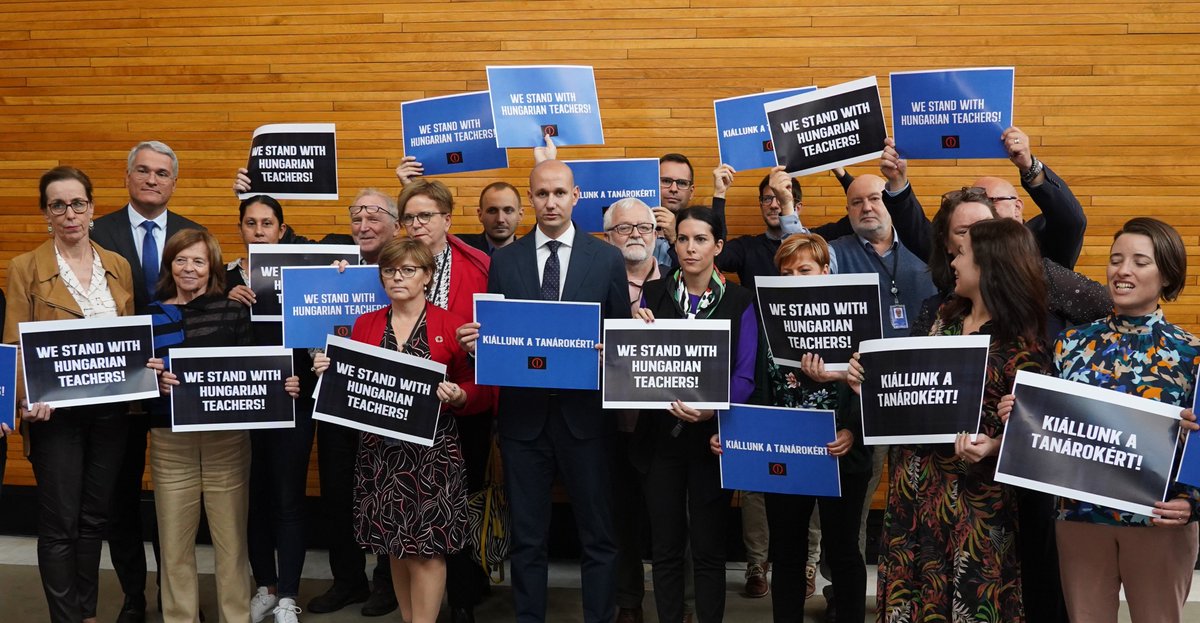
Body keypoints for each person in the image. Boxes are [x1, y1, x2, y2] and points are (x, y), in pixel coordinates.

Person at [999, 217, 1200, 623]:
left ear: (1167, 275)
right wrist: (1018, 416)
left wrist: (1194, 503)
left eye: (1140, 262)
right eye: (1116, 259)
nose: (1122, 270)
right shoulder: (1069, 344)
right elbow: (1047, 426)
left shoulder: (1191, 355)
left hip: (1159, 520)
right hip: (1078, 517)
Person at [851, 217, 1049, 622]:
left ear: (991, 266)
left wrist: (994, 446)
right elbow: (911, 392)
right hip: (913, 490)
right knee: (912, 599)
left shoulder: (1023, 346)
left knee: (970, 601)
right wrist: (868, 384)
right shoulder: (945, 319)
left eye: (962, 255)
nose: (953, 262)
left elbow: (1035, 440)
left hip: (973, 504)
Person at [457, 159, 628, 623]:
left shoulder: (607, 258)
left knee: (598, 534)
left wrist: (609, 350)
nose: (550, 202)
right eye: (541, 193)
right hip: (522, 421)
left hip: (586, 418)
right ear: (530, 199)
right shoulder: (505, 261)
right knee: (528, 537)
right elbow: (500, 340)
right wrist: (479, 342)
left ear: (576, 197)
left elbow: (621, 340)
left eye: (559, 193)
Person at [237, 170, 406, 616]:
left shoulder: (404, 266)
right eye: (357, 216)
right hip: (332, 397)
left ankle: (387, 582)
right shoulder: (329, 257)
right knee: (337, 491)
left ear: (396, 222)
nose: (365, 225)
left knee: (387, 488)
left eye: (375, 216)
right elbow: (276, 247)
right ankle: (347, 579)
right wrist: (249, 194)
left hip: (385, 395)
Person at [312, 238, 486, 623]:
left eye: (408, 270)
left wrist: (459, 395)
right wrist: (330, 372)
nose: (397, 277)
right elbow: (351, 388)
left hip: (433, 455)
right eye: (389, 270)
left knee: (428, 550)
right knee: (394, 547)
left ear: (427, 275)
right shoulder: (365, 323)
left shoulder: (451, 324)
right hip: (380, 453)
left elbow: (481, 386)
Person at [5, 165, 137, 623]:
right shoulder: (25, 268)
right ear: (46, 212)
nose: (69, 214)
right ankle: (67, 618)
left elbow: (130, 341)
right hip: (53, 416)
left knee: (93, 522)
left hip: (111, 412)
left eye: (77, 203)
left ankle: (86, 614)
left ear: (92, 208)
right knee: (60, 524)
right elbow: (13, 345)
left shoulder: (117, 266)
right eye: (57, 205)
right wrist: (23, 399)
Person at [719, 232, 870, 623]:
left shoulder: (855, 314)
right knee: (786, 551)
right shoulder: (766, 320)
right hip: (786, 450)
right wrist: (736, 434)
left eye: (804, 270)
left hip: (842, 449)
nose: (794, 279)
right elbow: (751, 383)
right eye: (785, 273)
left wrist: (852, 430)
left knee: (843, 550)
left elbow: (875, 386)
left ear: (825, 270)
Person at [150, 229, 300, 623]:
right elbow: (137, 384)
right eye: (181, 260)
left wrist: (283, 385)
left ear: (212, 267)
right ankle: (179, 617)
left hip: (227, 441)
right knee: (174, 544)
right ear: (170, 264)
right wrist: (154, 380)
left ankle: (235, 616)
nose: (189, 268)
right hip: (170, 441)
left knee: (231, 541)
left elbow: (254, 371)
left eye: (199, 261)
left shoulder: (232, 311)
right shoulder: (149, 315)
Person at [91, 141, 205, 623]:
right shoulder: (98, 232)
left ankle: (176, 598)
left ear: (174, 182)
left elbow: (206, 297)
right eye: (143, 170)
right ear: (128, 176)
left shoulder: (191, 233)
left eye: (162, 173)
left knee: (174, 502)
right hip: (116, 385)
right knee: (119, 495)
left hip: (173, 392)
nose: (152, 179)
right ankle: (134, 595)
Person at [631, 205, 761, 623]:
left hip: (712, 440)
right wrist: (630, 336)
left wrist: (712, 410)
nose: (690, 248)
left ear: (718, 246)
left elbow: (744, 374)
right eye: (683, 239)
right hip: (659, 441)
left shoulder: (741, 300)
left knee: (708, 549)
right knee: (666, 549)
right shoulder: (651, 298)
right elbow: (630, 367)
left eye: (701, 239)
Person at [395, 179, 494, 623]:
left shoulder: (480, 266)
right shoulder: (388, 265)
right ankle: (411, 602)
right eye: (410, 218)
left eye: (426, 216)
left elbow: (500, 339)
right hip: (396, 415)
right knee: (399, 508)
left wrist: (477, 351)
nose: (417, 225)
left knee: (460, 505)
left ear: (447, 220)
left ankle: (463, 597)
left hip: (460, 412)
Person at [223, 195, 318, 623]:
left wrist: (305, 377)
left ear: (282, 230)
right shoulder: (224, 279)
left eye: (267, 223)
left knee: (287, 498)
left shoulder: (301, 275)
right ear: (241, 229)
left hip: (291, 400)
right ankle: (266, 586)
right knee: (254, 499)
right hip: (240, 404)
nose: (258, 230)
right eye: (250, 223)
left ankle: (288, 598)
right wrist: (226, 298)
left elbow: (320, 328)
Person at [602, 197, 671, 623]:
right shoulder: (593, 282)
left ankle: (674, 604)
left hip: (664, 425)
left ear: (656, 234)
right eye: (624, 229)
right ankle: (628, 602)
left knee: (669, 522)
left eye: (643, 228)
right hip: (608, 425)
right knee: (619, 520)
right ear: (608, 238)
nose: (634, 236)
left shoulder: (679, 284)